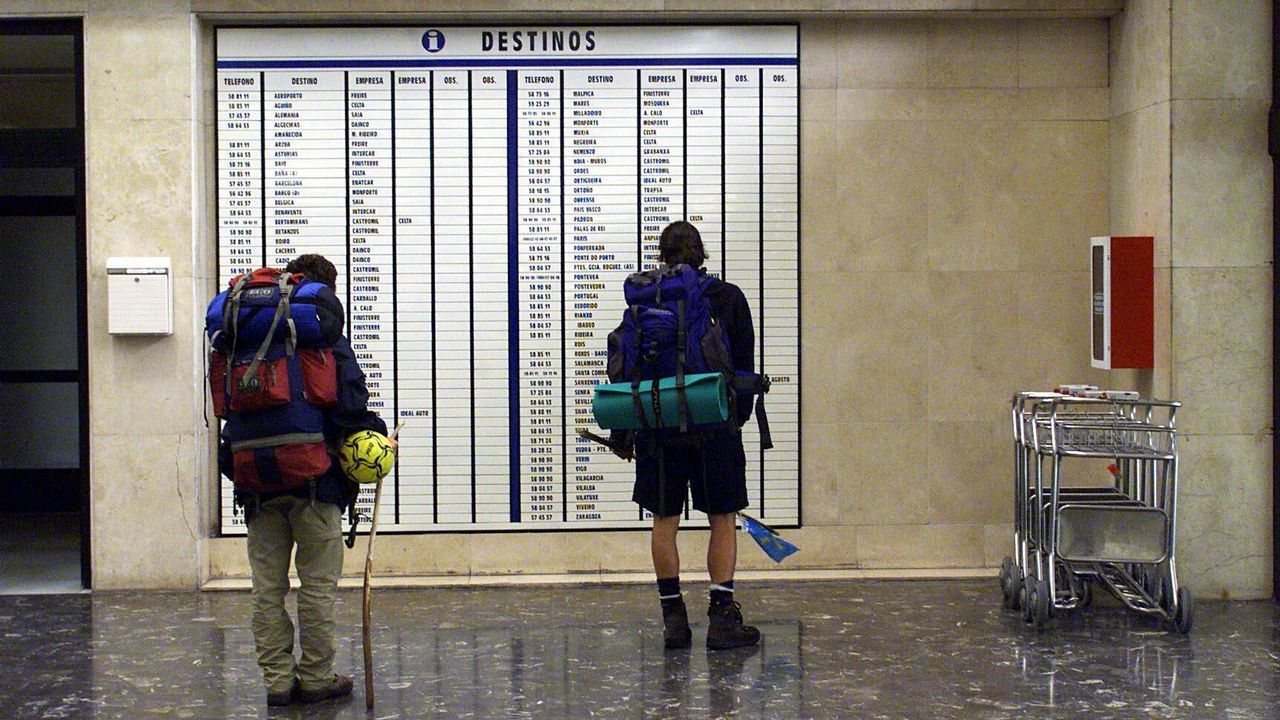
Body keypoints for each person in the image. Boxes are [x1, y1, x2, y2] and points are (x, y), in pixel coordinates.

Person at [227, 254, 390, 706]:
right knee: (316, 587)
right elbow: (351, 408)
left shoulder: (244, 337)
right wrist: (379, 438)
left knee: (266, 590)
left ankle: (277, 683)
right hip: (316, 483)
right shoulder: (325, 339)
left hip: (256, 484)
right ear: (326, 293)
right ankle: (316, 678)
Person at [617, 221, 761, 651]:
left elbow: (628, 369)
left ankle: (674, 622)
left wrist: (626, 432)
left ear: (661, 256)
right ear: (702, 254)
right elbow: (743, 366)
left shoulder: (645, 301)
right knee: (722, 518)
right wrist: (735, 418)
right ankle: (722, 619)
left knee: (664, 522)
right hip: (714, 425)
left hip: (658, 426)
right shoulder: (727, 297)